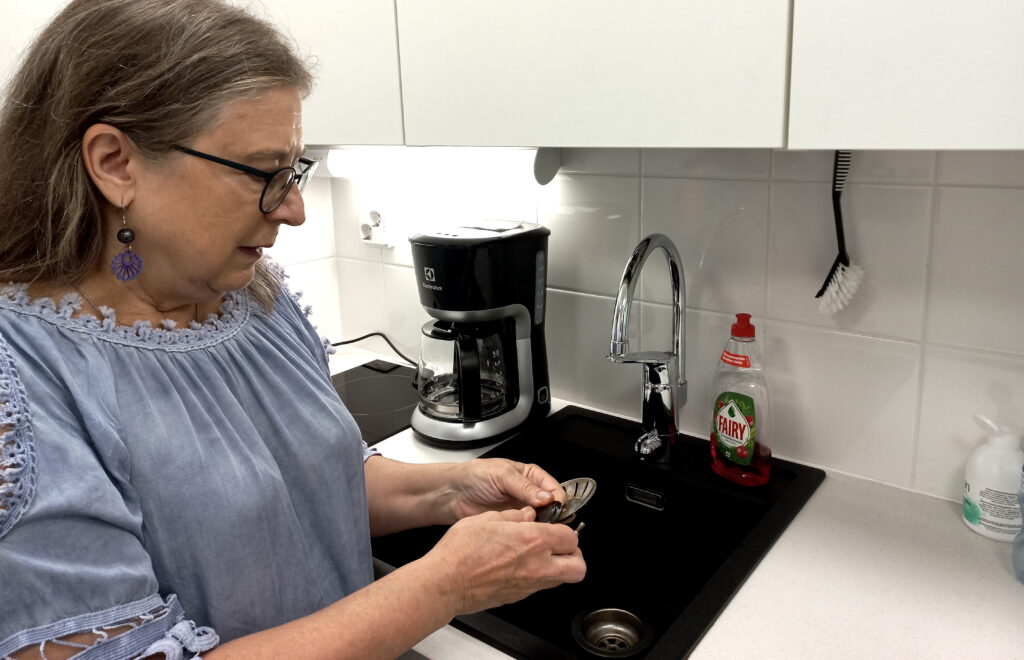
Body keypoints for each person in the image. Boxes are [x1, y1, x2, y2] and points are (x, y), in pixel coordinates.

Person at [0, 1, 586, 658]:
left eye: (295, 169)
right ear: (115, 163)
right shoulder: (21, 382)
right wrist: (445, 585)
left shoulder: (254, 299)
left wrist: (449, 490)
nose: (296, 208)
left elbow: (312, 483)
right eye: (263, 172)